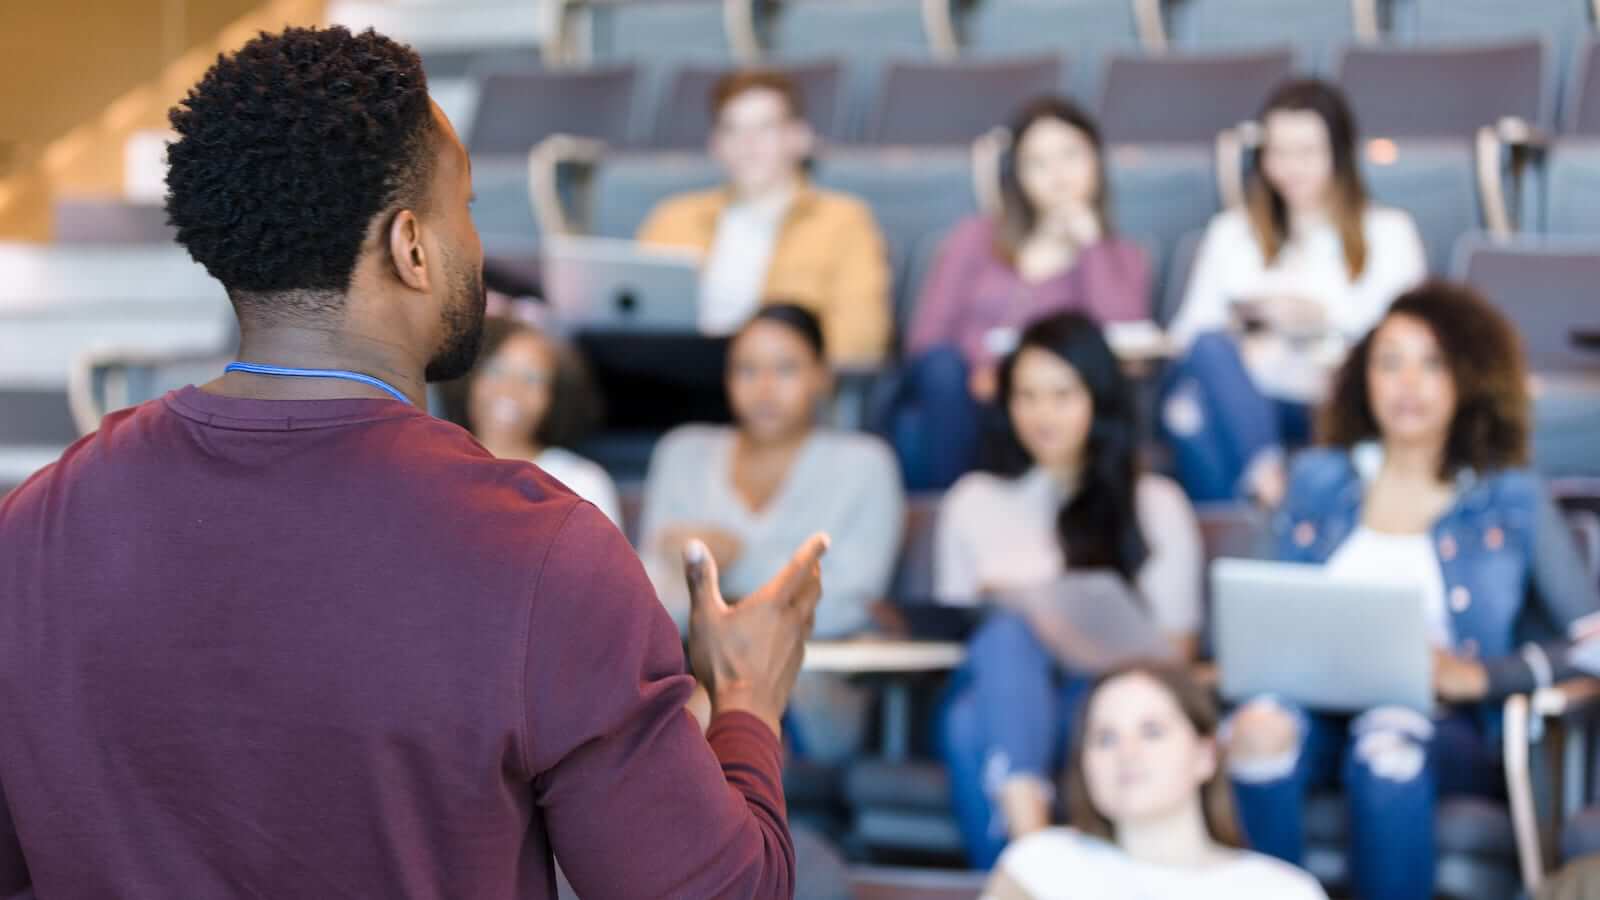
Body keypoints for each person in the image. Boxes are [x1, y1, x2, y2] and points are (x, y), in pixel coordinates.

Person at [0, 26, 829, 898]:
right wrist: (746, 703)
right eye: (464, 206)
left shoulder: (35, 525)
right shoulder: (541, 551)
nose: (477, 243)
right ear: (412, 247)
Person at [1226, 282, 1600, 900]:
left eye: (1432, 364)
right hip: (1311, 711)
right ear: (1363, 377)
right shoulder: (1316, 478)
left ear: (1469, 379)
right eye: (1389, 361)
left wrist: (1482, 678)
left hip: (1442, 727)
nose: (1407, 383)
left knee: (1387, 742)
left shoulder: (1510, 494)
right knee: (1260, 730)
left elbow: (1592, 640)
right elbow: (1254, 606)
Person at [935, 312, 1203, 867]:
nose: (1042, 415)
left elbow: (1177, 654)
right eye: (1026, 396)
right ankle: (1034, 851)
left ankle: (1024, 873)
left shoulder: (1154, 504)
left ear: (1098, 400)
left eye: (1061, 395)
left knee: (970, 724)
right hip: (1002, 686)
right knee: (1003, 641)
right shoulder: (973, 501)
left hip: (1102, 700)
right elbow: (952, 630)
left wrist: (1069, 629)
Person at [639, 304, 905, 763]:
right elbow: (647, 590)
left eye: (785, 368)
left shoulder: (866, 464)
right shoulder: (683, 452)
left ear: (823, 376)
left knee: (693, 722)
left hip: (809, 680)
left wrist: (728, 562)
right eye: (747, 369)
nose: (765, 388)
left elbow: (848, 599)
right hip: (681, 669)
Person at [1163, 79, 1426, 505]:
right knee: (1201, 372)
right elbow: (1187, 338)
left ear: (1338, 155)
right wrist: (1242, 333)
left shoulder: (1389, 233)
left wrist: (1319, 321)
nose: (1291, 168)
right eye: (1279, 153)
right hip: (1254, 393)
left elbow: (1403, 337)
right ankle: (1267, 481)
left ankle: (1246, 532)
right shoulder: (1231, 233)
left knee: (1186, 416)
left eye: (1307, 153)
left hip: (1335, 396)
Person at [895, 96, 1151, 490]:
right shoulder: (974, 237)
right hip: (967, 399)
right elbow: (926, 339)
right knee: (941, 372)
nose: (1058, 174)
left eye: (1070, 156)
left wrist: (1090, 247)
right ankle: (943, 518)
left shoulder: (1121, 255)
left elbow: (1124, 346)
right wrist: (984, 372)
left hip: (1053, 406)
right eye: (1038, 162)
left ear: (1097, 162)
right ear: (1017, 175)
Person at [983, 663, 1328, 900]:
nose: (1126, 753)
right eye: (1104, 738)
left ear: (1205, 755)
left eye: (1152, 732)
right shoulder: (1041, 864)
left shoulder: (1282, 892)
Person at [638, 70, 892, 367]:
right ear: (715, 145)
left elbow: (862, 336)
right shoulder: (673, 218)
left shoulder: (844, 221)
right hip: (677, 371)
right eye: (732, 129)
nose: (748, 143)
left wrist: (767, 359)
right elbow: (636, 318)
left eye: (765, 128)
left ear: (799, 138)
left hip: (780, 382)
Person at [449, 316, 622, 527]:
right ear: (470, 378)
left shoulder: (581, 482)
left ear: (553, 397)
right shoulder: (437, 468)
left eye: (532, 378)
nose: (511, 388)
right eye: (496, 370)